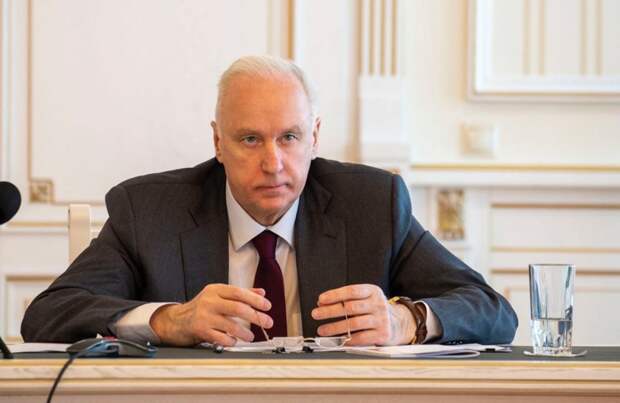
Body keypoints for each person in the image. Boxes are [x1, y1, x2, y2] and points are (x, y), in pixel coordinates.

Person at [21, 55, 517, 346]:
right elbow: (49, 314)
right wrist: (170, 320)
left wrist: (405, 320)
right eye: (250, 139)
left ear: (314, 137)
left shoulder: (371, 203)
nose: (274, 163)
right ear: (218, 142)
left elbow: (492, 310)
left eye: (289, 137)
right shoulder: (149, 211)